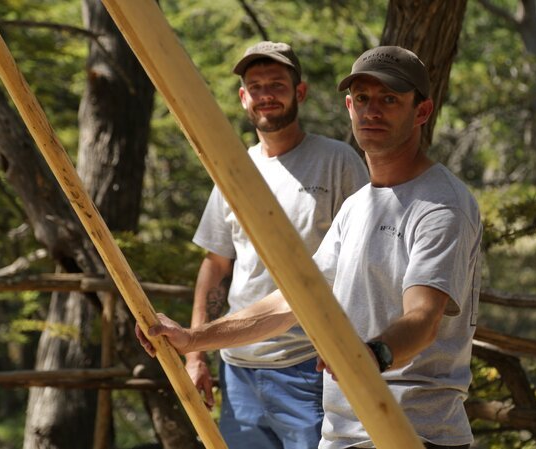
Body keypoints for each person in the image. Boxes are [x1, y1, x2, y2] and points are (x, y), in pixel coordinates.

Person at [138, 46, 481, 449]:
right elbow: (295, 302)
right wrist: (193, 339)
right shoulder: (358, 205)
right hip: (344, 434)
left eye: (390, 99)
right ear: (349, 108)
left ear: (421, 111)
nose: (372, 111)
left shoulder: (442, 205)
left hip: (414, 433)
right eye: (363, 99)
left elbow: (423, 318)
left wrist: (373, 355)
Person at [185, 41, 369, 449]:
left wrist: (348, 344)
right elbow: (216, 264)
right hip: (237, 368)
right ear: (243, 98)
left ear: (299, 92)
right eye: (256, 87)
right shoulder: (233, 169)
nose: (266, 95)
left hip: (310, 365)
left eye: (276, 85)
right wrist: (196, 354)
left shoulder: (338, 162)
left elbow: (365, 262)